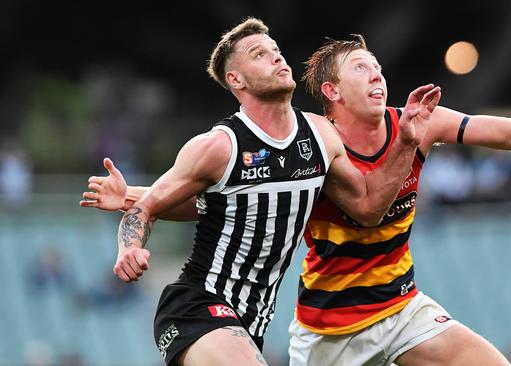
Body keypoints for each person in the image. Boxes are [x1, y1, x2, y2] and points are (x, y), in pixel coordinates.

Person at [82, 34, 511, 365]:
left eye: (377, 66)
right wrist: (134, 208)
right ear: (332, 92)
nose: (377, 73)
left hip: (400, 305)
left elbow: (508, 132)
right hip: (325, 326)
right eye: (361, 67)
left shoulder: (387, 129)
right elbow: (208, 199)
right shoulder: (268, 144)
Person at [80, 18, 440, 366]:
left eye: (276, 50)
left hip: (251, 324)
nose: (277, 57)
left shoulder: (319, 136)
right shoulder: (218, 147)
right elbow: (147, 207)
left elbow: (368, 208)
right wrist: (129, 248)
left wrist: (407, 141)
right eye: (259, 54)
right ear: (236, 80)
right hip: (196, 306)